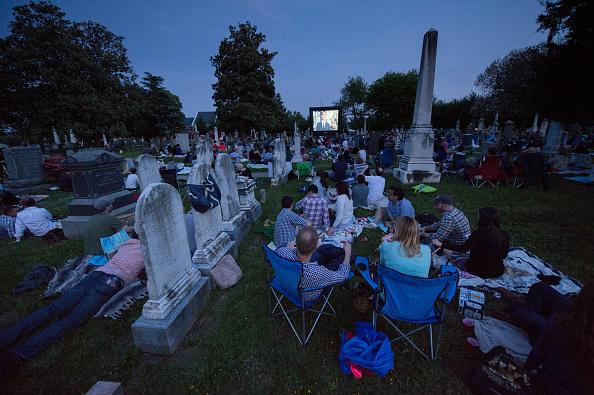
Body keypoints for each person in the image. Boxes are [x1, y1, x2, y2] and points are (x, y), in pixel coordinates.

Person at [0, 238, 145, 378]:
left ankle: (5, 338)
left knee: (52, 309)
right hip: (110, 282)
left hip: (96, 273)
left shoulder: (129, 241)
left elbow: (112, 255)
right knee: (71, 321)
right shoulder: (148, 250)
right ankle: (16, 355)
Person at [502, 282, 593, 394]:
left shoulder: (559, 324)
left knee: (522, 313)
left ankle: (522, 309)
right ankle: (533, 313)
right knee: (540, 288)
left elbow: (536, 357)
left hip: (550, 385)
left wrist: (524, 372)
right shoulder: (560, 322)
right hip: (575, 314)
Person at [275, 227, 351, 302]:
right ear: (315, 248)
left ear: (296, 242)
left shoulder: (281, 252)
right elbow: (343, 276)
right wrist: (348, 254)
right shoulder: (318, 272)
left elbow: (280, 253)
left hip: (282, 283)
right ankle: (346, 255)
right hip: (303, 296)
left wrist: (289, 249)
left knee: (324, 252)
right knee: (339, 257)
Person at [432, 207, 509, 278]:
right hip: (498, 272)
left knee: (446, 250)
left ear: (484, 219)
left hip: (476, 270)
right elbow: (504, 256)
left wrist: (442, 245)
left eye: (479, 217)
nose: (477, 218)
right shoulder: (503, 235)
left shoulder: (478, 234)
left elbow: (462, 248)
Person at [82, 197, 127, 265]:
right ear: (107, 207)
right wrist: (138, 227)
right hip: (105, 254)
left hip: (90, 254)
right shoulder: (109, 218)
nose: (112, 205)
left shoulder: (91, 219)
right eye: (111, 204)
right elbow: (126, 229)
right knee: (125, 235)